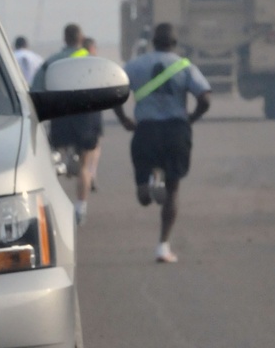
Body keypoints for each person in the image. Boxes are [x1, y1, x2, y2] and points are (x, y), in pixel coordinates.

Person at [114, 21, 211, 262]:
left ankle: (148, 184)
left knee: (143, 198)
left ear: (152, 42)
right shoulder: (185, 66)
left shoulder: (134, 65)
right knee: (173, 189)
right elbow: (205, 98)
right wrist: (192, 118)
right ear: (175, 44)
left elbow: (113, 92)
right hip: (175, 130)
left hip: (145, 130)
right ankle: (163, 246)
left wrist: (124, 118)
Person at [32, 23, 98, 225]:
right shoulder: (92, 61)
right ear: (81, 38)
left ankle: (54, 207)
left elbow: (37, 88)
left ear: (64, 38)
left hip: (60, 117)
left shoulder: (51, 61)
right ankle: (80, 208)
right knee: (85, 167)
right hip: (85, 119)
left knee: (53, 166)